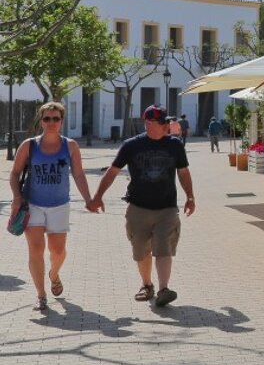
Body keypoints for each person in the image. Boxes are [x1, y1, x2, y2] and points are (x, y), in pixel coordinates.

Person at [91, 104, 196, 308]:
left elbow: (183, 172)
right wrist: (98, 196)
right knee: (141, 251)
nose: (167, 125)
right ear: (148, 123)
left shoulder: (175, 145)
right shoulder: (131, 146)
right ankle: (147, 285)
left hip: (167, 208)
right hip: (138, 207)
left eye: (166, 122)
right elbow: (112, 172)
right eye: (162, 122)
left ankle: (164, 289)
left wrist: (190, 197)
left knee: (164, 249)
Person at [8, 102, 94, 311]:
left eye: (55, 118)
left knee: (58, 251)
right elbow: (14, 173)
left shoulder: (70, 146)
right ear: (41, 121)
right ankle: (41, 295)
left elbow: (79, 174)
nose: (51, 122)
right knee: (36, 249)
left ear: (61, 121)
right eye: (47, 118)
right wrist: (17, 197)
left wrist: (88, 199)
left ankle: (54, 274)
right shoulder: (29, 145)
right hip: (32, 205)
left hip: (59, 205)